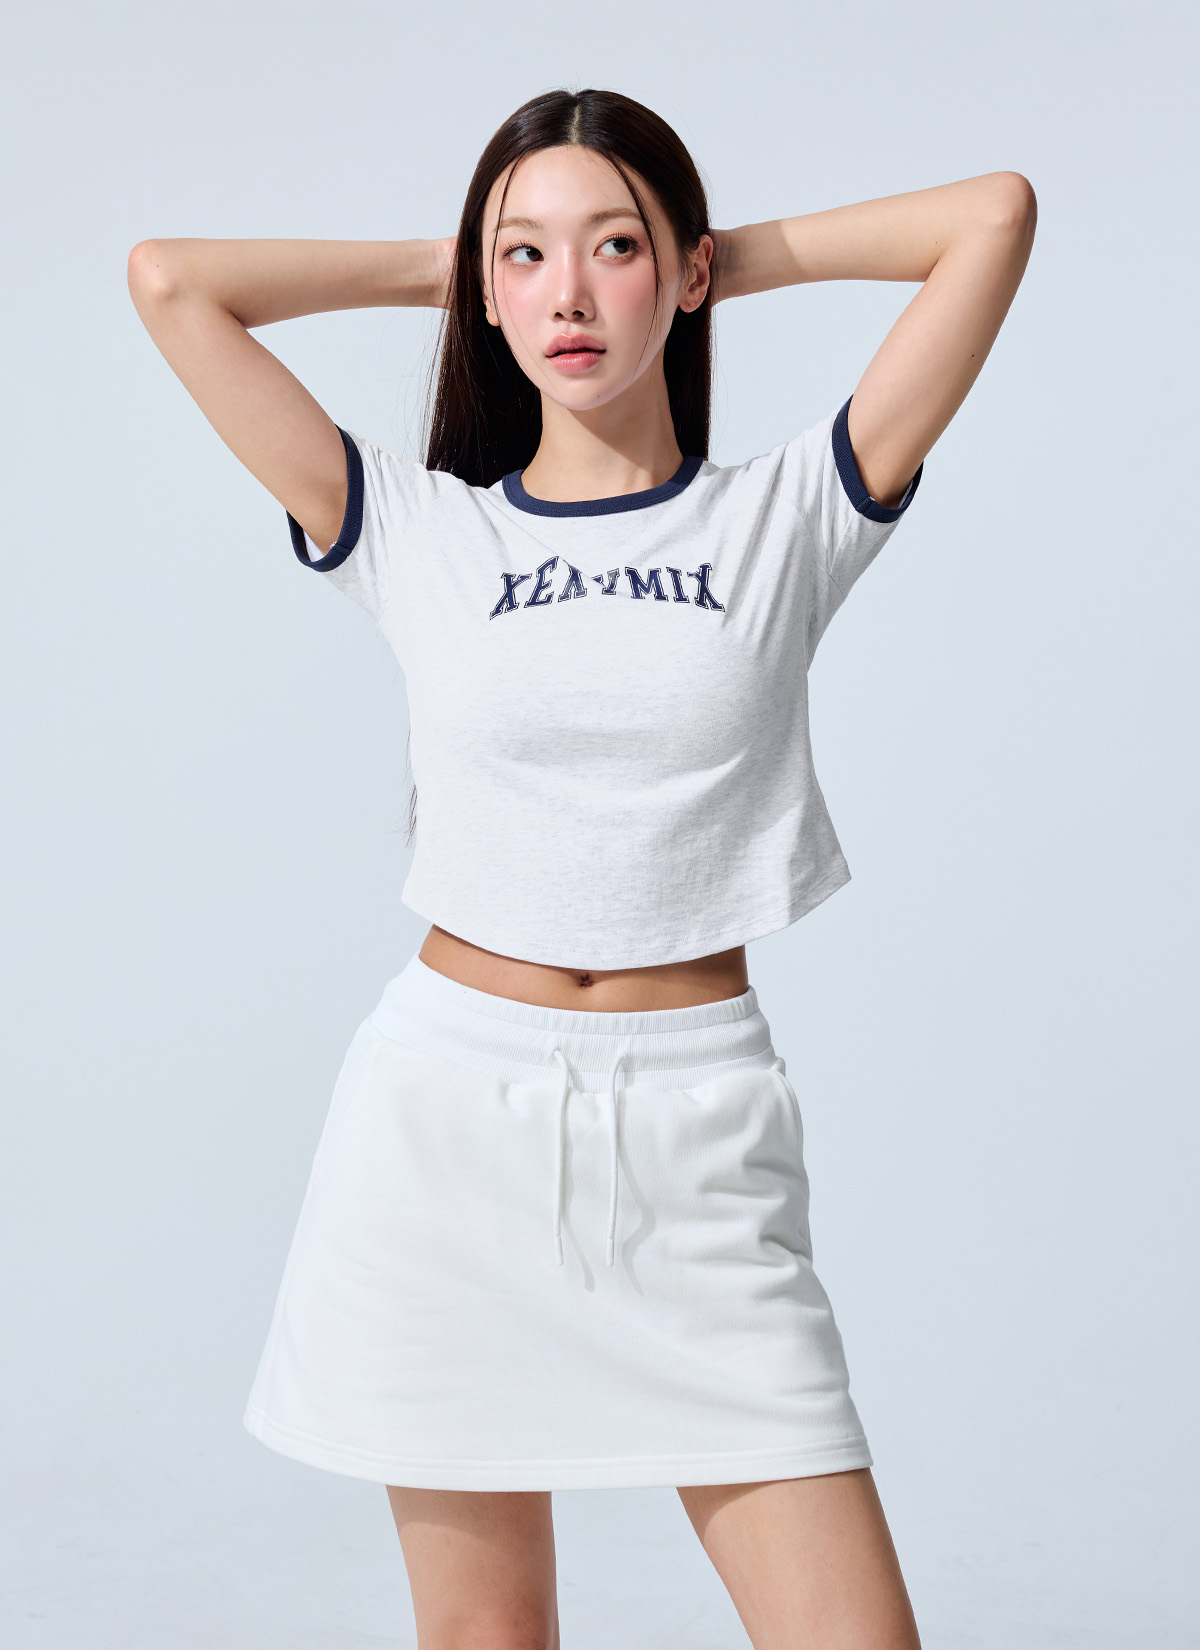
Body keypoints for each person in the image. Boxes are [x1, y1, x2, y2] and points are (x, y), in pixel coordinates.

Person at [128, 86, 1035, 1650]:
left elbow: (993, 217)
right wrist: (451, 268)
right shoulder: (414, 528)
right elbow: (170, 282)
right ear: (485, 289)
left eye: (614, 248)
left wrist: (709, 258)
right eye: (526, 255)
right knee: (489, 1637)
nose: (568, 291)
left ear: (683, 272)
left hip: (697, 1131)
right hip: (443, 1130)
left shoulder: (787, 515)